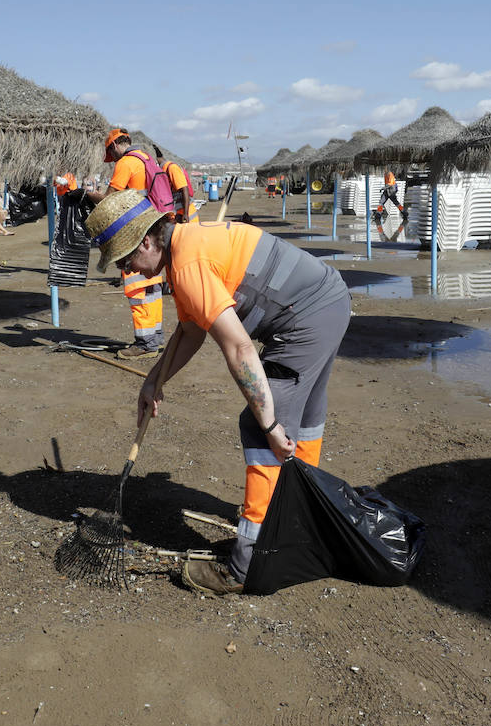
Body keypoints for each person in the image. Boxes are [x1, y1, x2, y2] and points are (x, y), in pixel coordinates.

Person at [85, 189, 352, 595]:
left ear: (147, 241)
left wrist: (270, 421)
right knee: (303, 419)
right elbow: (192, 329)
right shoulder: (184, 248)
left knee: (262, 426)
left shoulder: (188, 264)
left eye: (126, 260)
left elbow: (240, 348)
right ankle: (299, 518)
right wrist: (154, 380)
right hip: (327, 302)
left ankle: (250, 564)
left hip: (307, 320)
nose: (129, 270)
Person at [83, 128, 166, 359]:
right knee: (152, 286)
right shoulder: (146, 158)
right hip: (151, 225)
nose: (113, 160)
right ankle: (154, 338)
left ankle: (145, 343)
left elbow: (110, 199)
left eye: (111, 154)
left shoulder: (126, 163)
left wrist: (90, 195)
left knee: (137, 287)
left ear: (114, 146)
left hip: (133, 232)